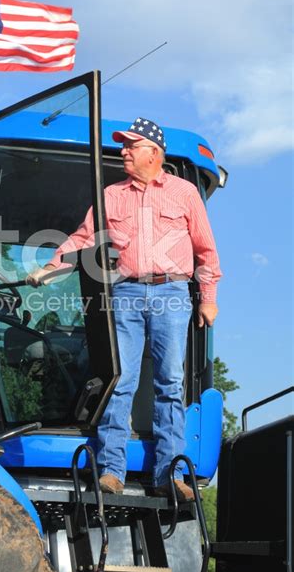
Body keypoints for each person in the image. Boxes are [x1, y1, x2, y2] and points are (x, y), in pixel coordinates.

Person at [27, 117, 221, 501]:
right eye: (124, 146)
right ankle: (113, 470)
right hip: (126, 292)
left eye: (131, 146)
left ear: (154, 153)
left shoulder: (184, 194)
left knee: (170, 383)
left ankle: (169, 474)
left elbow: (206, 250)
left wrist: (209, 296)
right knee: (120, 381)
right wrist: (52, 265)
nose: (124, 152)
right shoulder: (111, 195)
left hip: (172, 293)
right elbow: (84, 238)